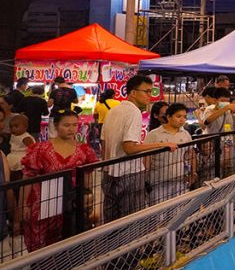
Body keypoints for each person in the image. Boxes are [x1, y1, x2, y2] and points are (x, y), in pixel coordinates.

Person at [102, 75, 179, 222]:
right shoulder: (133, 112)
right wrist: (161, 144)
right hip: (129, 173)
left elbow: (103, 142)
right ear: (133, 93)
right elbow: (129, 148)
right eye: (147, 91)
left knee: (111, 221)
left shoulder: (113, 111)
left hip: (109, 172)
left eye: (151, 92)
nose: (150, 96)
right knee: (131, 220)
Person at [21, 111, 98, 251]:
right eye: (66, 125)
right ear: (56, 126)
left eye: (75, 125)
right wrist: (24, 204)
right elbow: (28, 177)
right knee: (41, 247)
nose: (71, 129)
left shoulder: (83, 149)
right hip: (42, 205)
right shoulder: (41, 149)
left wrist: (88, 200)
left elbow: (87, 177)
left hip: (71, 204)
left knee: (70, 244)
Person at [144, 103, 196, 203]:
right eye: (178, 116)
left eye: (184, 117)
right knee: (159, 215)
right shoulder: (154, 134)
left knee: (179, 212)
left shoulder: (185, 134)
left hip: (180, 181)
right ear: (168, 117)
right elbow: (147, 158)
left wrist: (193, 172)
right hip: (158, 182)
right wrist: (145, 179)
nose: (182, 120)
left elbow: (191, 153)